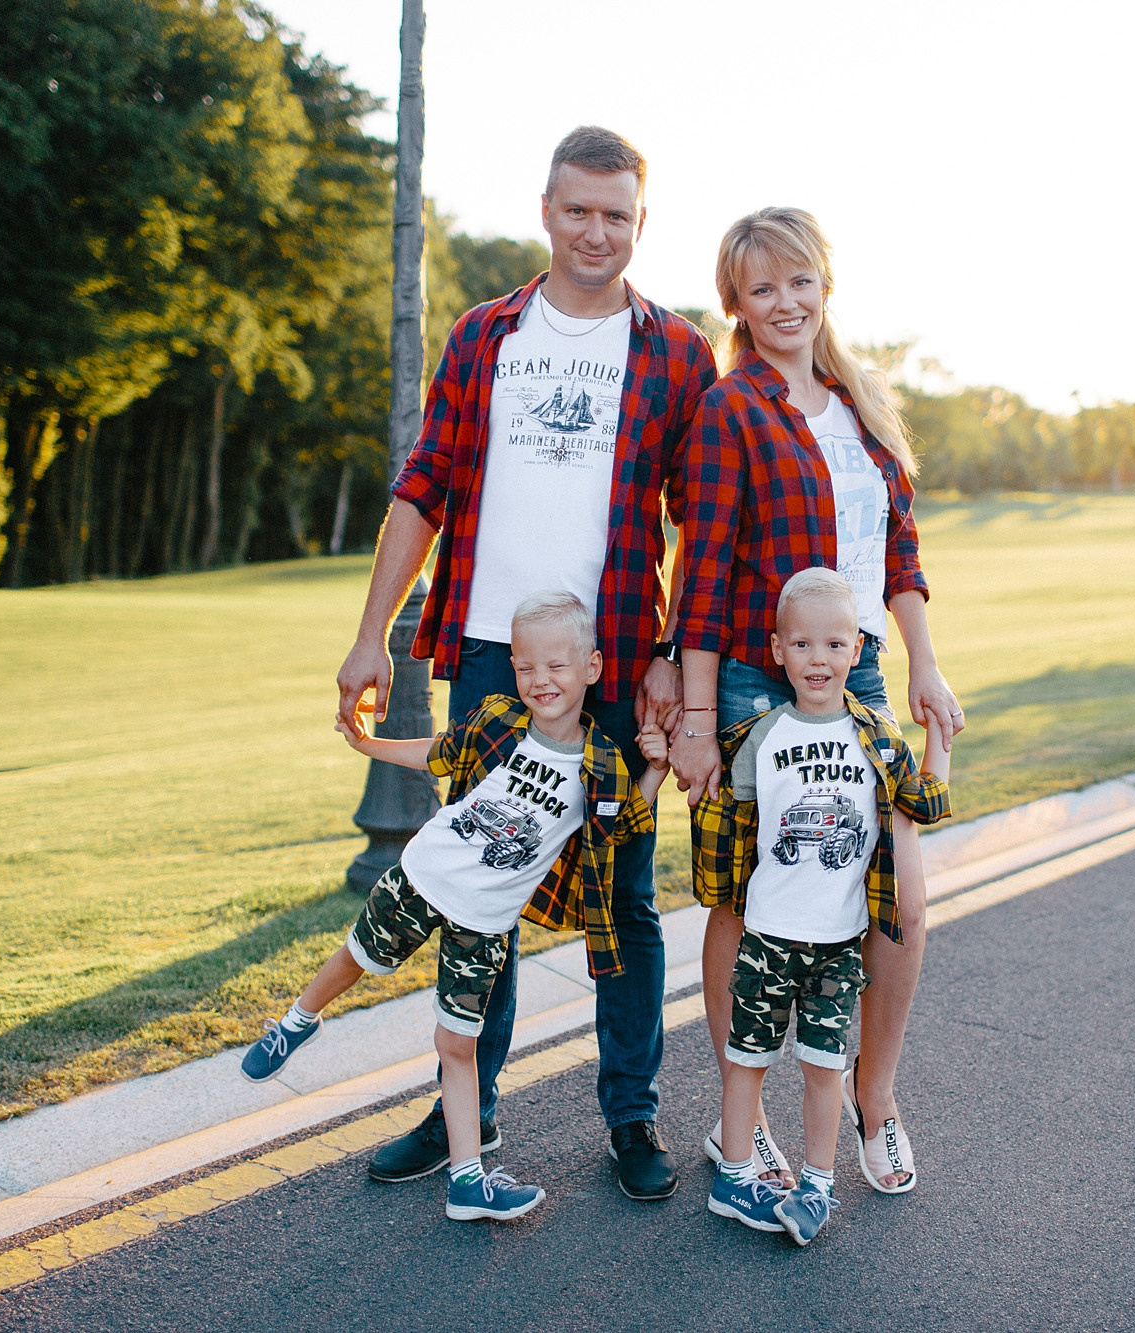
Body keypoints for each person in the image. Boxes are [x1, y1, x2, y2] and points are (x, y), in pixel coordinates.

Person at [334, 127, 717, 1200]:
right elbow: (423, 486)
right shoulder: (485, 334)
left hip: (613, 659)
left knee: (624, 895)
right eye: (578, 210)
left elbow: (698, 522)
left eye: (618, 216)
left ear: (640, 225)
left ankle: (630, 1118)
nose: (596, 233)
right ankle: (468, 1110)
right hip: (494, 654)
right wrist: (374, 630)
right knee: (479, 885)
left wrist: (668, 658)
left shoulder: (677, 353)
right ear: (545, 210)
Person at [670, 207, 966, 1195]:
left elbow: (902, 556)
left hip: (865, 674)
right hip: (759, 681)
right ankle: (738, 1120)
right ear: (737, 307)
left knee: (901, 905)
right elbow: (701, 573)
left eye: (797, 281)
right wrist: (701, 718)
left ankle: (873, 1097)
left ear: (824, 285)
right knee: (745, 901)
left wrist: (923, 664)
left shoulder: (860, 402)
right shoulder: (730, 409)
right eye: (760, 289)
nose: (783, 302)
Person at [241, 592, 669, 1222]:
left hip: (483, 927)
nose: (539, 680)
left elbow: (627, 820)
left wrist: (656, 766)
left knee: (458, 1044)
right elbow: (435, 752)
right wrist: (365, 745)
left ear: (593, 669)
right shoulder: (497, 718)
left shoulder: (600, 763)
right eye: (526, 666)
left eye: (556, 666)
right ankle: (299, 1020)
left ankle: (468, 1180)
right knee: (357, 956)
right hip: (421, 878)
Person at [691, 568, 950, 1244]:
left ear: (859, 650)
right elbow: (728, 814)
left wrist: (940, 746)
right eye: (802, 645)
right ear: (777, 650)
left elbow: (924, 802)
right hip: (768, 937)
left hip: (838, 943)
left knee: (823, 1065)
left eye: (835, 645)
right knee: (748, 1057)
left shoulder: (876, 739)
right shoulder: (761, 735)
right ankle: (737, 1175)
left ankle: (817, 1185)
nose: (819, 659)